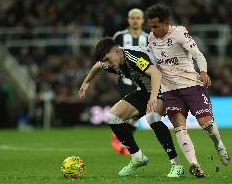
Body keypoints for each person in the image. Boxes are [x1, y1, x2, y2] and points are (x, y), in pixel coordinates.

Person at [79, 37, 184, 177]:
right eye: (105, 60)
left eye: (107, 59)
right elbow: (98, 65)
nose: (107, 64)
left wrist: (153, 98)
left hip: (165, 87)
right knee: (112, 117)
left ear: (116, 51)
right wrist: (86, 82)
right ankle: (137, 158)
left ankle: (177, 164)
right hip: (145, 90)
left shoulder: (132, 57)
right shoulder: (112, 61)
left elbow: (156, 73)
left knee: (152, 116)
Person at [145, 4, 230, 178]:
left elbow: (198, 54)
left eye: (155, 26)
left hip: (191, 85)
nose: (152, 30)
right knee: (179, 128)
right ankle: (194, 164)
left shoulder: (179, 33)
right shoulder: (151, 38)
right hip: (170, 91)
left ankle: (219, 144)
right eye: (150, 26)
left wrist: (203, 71)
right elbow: (152, 65)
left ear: (166, 22)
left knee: (206, 124)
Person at [111, 8, 148, 155]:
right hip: (125, 82)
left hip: (142, 82)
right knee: (132, 110)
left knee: (136, 114)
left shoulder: (147, 38)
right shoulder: (119, 36)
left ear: (142, 20)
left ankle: (121, 137)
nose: (135, 20)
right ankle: (122, 140)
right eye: (132, 18)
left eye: (138, 18)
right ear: (128, 20)